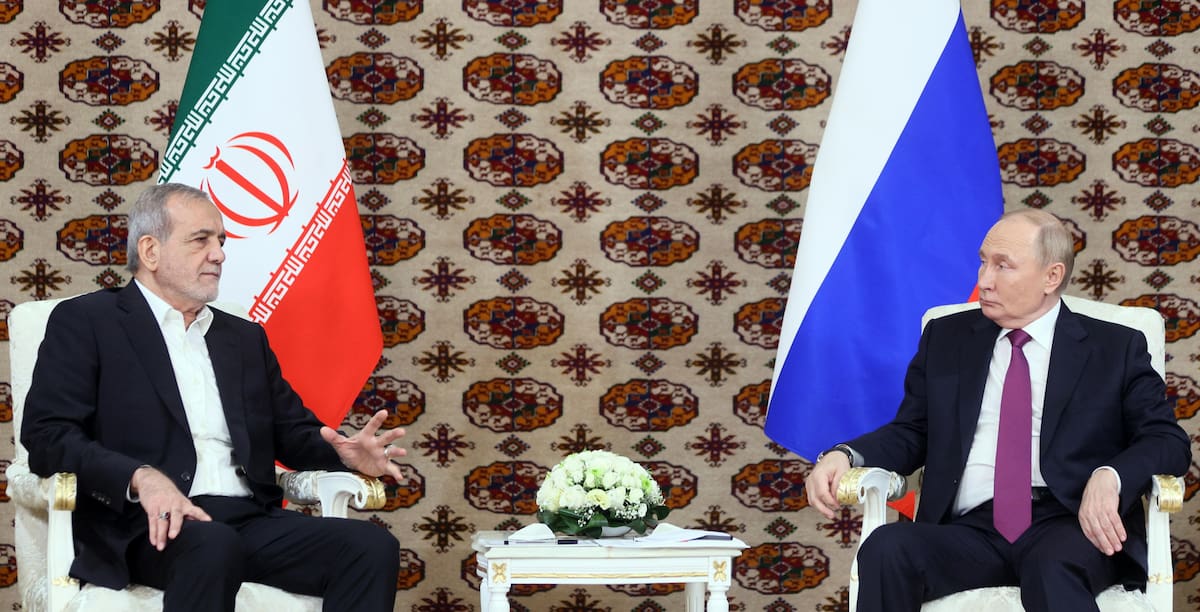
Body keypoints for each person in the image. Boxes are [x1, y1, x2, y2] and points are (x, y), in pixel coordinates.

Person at [21, 183, 404, 611]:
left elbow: (291, 431)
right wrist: (139, 476)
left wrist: (347, 455)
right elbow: (47, 435)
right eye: (201, 240)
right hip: (146, 525)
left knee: (371, 547)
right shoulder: (88, 322)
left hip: (246, 519)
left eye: (220, 241)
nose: (219, 254)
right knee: (213, 545)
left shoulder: (241, 337)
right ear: (150, 251)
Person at [804, 209, 1190, 612]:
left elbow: (1168, 442)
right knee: (887, 548)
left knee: (1051, 565)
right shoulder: (948, 338)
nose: (984, 280)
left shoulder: (1115, 348)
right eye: (983, 262)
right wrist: (845, 455)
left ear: (1051, 277)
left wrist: (1111, 477)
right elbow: (913, 431)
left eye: (1003, 266)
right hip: (972, 530)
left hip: (1070, 524)